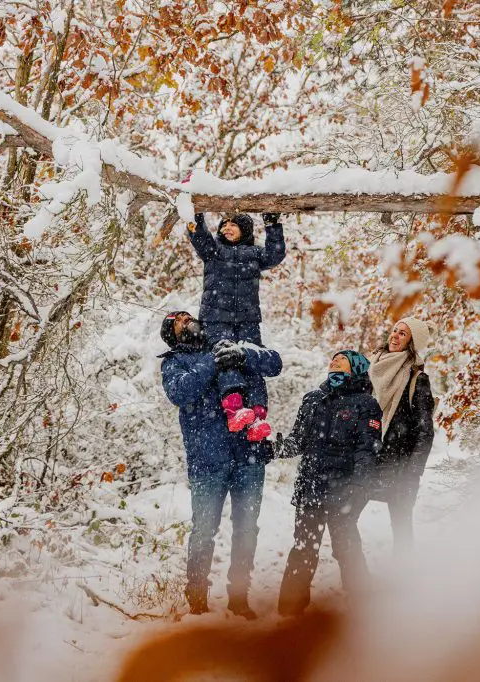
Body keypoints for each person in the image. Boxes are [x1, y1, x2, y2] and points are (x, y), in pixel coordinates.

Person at [158, 311, 283, 618]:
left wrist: (241, 354)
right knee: (203, 531)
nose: (188, 319)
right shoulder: (174, 362)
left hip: (248, 456)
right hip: (207, 462)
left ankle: (239, 597)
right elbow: (180, 391)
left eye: (189, 315)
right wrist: (212, 361)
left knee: (247, 530)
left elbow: (274, 363)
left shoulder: (233, 345)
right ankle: (196, 597)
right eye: (179, 320)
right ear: (172, 333)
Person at [275, 350, 382, 617]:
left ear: (356, 367)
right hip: (310, 487)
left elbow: (367, 450)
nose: (334, 361)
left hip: (343, 491)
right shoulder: (312, 399)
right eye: (332, 358)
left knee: (346, 550)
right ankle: (289, 613)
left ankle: (364, 611)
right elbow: (297, 441)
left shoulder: (366, 403)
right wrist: (273, 448)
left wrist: (359, 486)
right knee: (303, 550)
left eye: (342, 358)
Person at [187, 212, 286, 441]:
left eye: (234, 224)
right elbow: (200, 237)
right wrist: (195, 214)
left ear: (246, 230)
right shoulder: (214, 251)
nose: (227, 228)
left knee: (252, 360)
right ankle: (235, 409)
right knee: (227, 358)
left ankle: (258, 417)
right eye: (224, 224)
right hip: (215, 318)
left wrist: (272, 225)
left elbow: (275, 254)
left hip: (247, 319)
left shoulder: (254, 254)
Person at [366, 318, 436, 553]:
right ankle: (355, 578)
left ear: (412, 343)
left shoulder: (417, 379)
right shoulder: (371, 369)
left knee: (401, 526)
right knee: (343, 520)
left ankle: (403, 577)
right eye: (395, 331)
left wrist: (412, 473)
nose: (395, 336)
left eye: (403, 334)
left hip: (399, 467)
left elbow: (425, 431)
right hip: (366, 458)